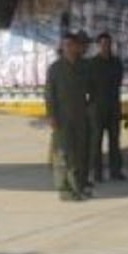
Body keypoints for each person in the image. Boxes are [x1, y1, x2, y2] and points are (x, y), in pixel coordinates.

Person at [46, 32, 92, 201]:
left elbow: (90, 89)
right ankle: (64, 190)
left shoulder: (82, 66)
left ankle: (77, 187)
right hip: (62, 118)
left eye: (71, 45)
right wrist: (51, 115)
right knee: (63, 154)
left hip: (80, 117)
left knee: (79, 153)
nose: (68, 48)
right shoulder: (55, 68)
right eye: (65, 45)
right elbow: (49, 94)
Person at [88, 31, 126, 182]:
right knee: (96, 141)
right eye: (103, 44)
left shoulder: (116, 62)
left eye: (108, 44)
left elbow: (119, 80)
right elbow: (88, 85)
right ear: (98, 46)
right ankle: (97, 173)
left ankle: (115, 171)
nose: (106, 47)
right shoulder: (92, 64)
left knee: (114, 140)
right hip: (97, 106)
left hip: (113, 105)